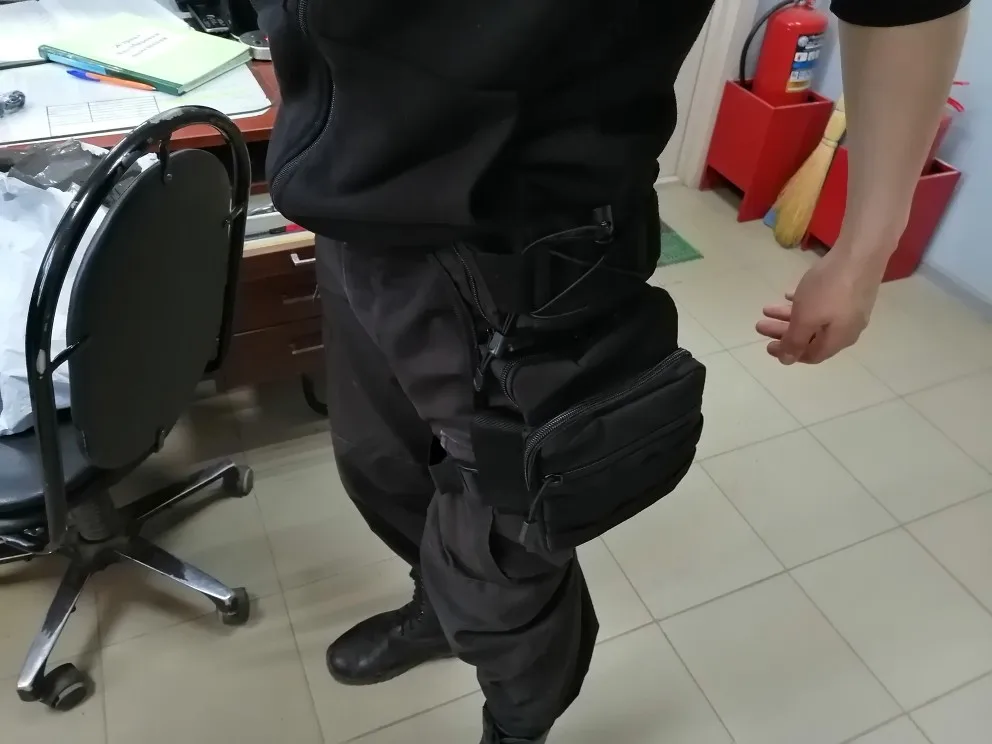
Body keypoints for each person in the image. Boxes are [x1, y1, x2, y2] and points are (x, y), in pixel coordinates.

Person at [253, 1, 971, 741]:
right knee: (382, 466)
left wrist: (863, 251)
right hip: (354, 213)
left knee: (501, 547)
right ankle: (438, 607)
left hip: (523, 245)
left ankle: (517, 723)